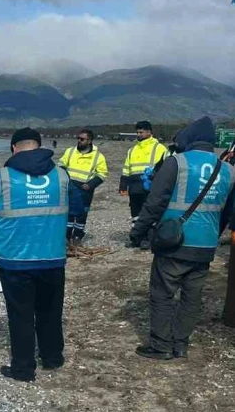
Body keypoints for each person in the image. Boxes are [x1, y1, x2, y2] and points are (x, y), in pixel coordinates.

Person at [0, 127, 83, 382]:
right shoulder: (61, 175)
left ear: (14, 148)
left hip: (14, 259)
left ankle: (23, 369)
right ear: (39, 146)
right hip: (52, 256)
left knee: (20, 314)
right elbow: (77, 207)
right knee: (50, 309)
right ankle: (52, 357)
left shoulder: (2, 176)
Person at [130, 117, 235, 360]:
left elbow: (155, 202)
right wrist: (214, 235)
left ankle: (161, 345)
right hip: (206, 245)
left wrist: (138, 231)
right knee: (192, 297)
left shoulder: (176, 162)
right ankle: (180, 344)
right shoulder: (229, 170)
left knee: (163, 293)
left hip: (174, 242)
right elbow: (228, 212)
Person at [120, 121, 167, 250]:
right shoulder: (132, 149)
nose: (138, 134)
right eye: (137, 132)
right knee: (135, 214)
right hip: (135, 186)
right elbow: (126, 168)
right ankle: (136, 238)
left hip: (150, 186)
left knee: (149, 213)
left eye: (141, 132)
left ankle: (147, 239)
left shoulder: (160, 148)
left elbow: (165, 168)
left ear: (149, 132)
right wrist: (123, 186)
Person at [58, 129, 109, 246]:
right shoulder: (70, 151)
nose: (79, 141)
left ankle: (77, 236)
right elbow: (61, 165)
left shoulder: (98, 156)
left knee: (81, 215)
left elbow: (102, 173)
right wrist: (65, 179)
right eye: (78, 138)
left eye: (82, 139)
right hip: (69, 187)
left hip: (85, 189)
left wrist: (91, 185)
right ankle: (66, 236)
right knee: (68, 213)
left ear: (89, 140)